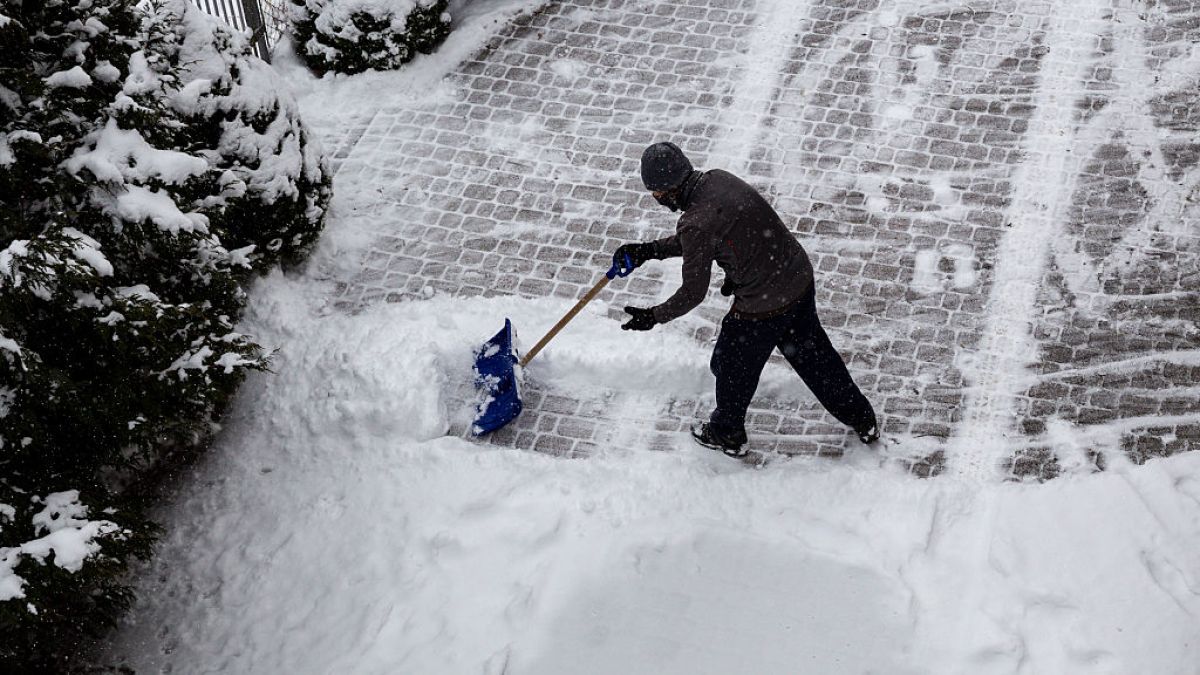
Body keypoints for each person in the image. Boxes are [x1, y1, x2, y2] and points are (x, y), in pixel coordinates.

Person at [610, 141, 878, 457]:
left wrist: (654, 315)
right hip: (796, 276)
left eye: (656, 193)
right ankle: (863, 420)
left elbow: (693, 291)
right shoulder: (718, 179)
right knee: (816, 359)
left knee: (729, 364)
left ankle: (727, 433)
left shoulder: (695, 223)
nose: (656, 198)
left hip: (764, 304)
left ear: (668, 191)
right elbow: (706, 237)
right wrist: (651, 250)